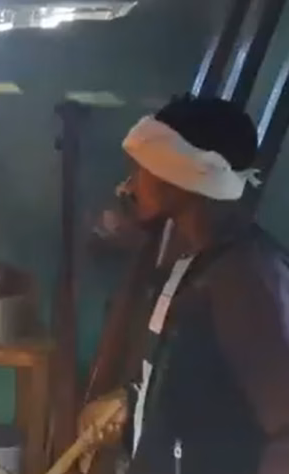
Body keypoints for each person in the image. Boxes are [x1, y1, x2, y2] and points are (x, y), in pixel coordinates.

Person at [79, 95, 289, 474]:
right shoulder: (191, 263)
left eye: (141, 169)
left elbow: (283, 432)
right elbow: (203, 395)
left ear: (181, 174)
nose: (126, 186)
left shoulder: (245, 278)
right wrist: (132, 403)